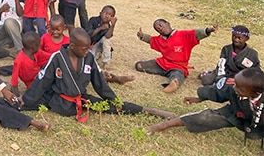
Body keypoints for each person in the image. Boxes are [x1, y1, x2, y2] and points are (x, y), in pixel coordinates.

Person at [20, 28, 175, 123]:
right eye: (84, 49)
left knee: (111, 106)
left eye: (89, 48)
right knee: (21, 104)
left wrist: (114, 100)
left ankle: (149, 110)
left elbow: (99, 83)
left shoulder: (88, 58)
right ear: (72, 46)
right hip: (57, 100)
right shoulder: (57, 58)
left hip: (80, 99)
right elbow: (42, 82)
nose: (87, 52)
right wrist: (26, 99)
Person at [146, 67, 264, 143]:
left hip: (260, 124)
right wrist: (200, 98)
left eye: (239, 88)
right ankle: (164, 125)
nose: (234, 88)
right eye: (235, 84)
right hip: (237, 112)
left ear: (256, 93)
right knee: (205, 117)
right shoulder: (235, 87)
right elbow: (219, 91)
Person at [135, 19, 218, 93]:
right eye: (157, 29)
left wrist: (210, 30)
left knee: (177, 75)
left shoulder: (183, 35)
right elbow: (151, 40)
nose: (160, 28)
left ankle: (173, 84)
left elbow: (197, 33)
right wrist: (142, 36)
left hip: (178, 67)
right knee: (138, 66)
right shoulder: (159, 39)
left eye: (160, 25)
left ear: (167, 23)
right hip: (163, 63)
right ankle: (166, 73)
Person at [9, 31, 52, 96]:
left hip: (38, 75)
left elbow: (50, 56)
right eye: (39, 45)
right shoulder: (19, 61)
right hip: (30, 81)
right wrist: (17, 97)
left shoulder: (36, 52)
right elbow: (14, 82)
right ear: (33, 47)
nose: (40, 46)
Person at [86, 5, 117, 70]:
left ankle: (106, 62)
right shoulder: (93, 20)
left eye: (110, 15)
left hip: (99, 44)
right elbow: (89, 34)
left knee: (107, 40)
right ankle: (98, 55)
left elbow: (108, 36)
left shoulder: (107, 25)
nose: (107, 16)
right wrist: (100, 28)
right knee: (90, 60)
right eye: (106, 13)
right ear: (100, 13)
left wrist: (112, 26)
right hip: (90, 44)